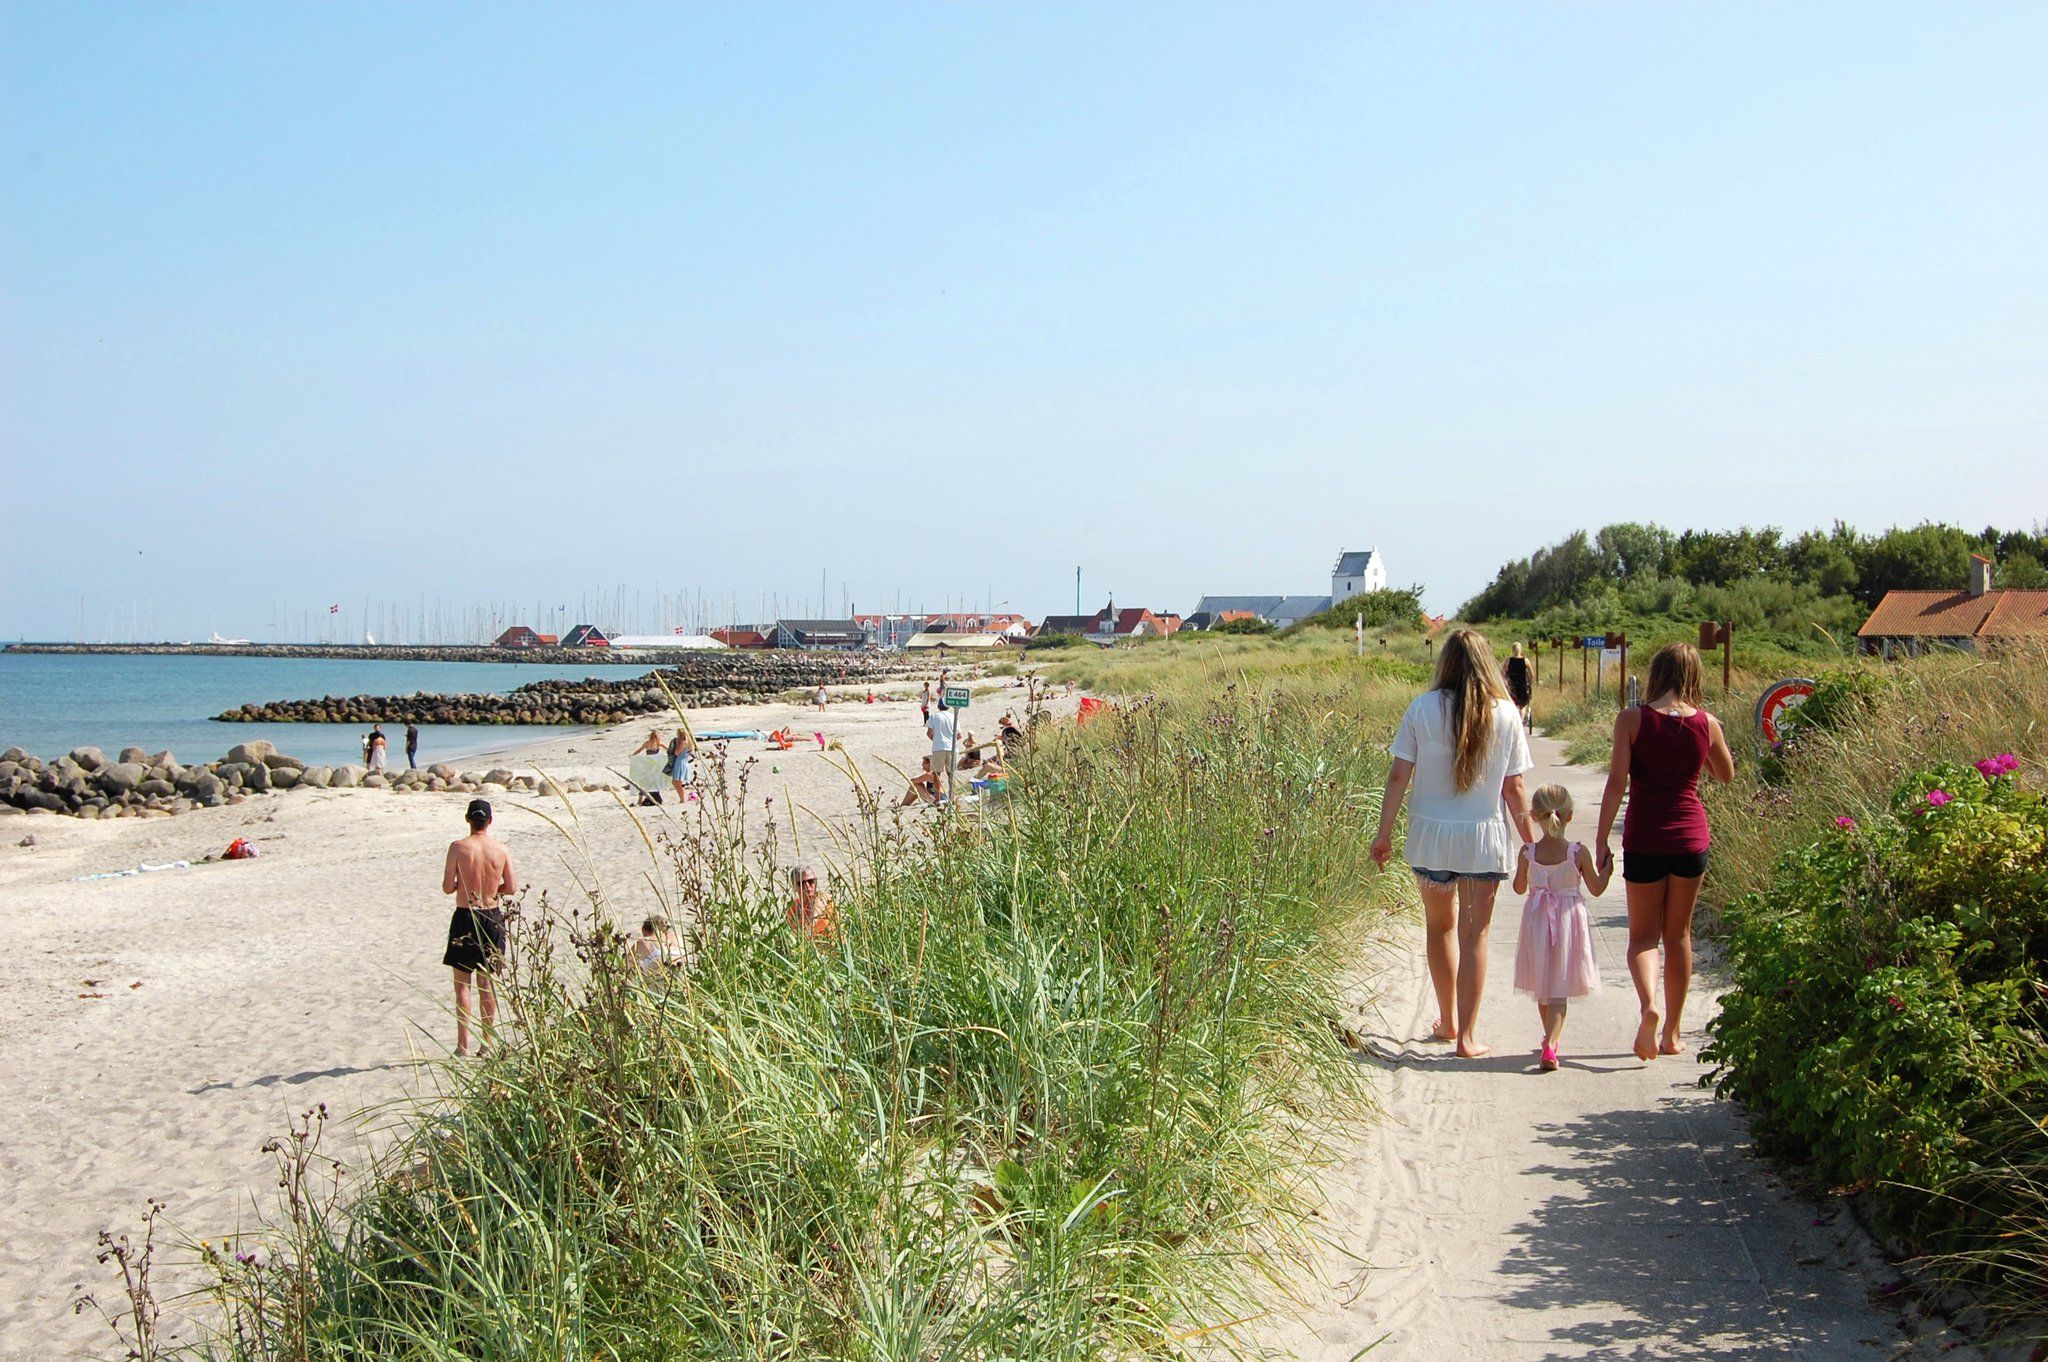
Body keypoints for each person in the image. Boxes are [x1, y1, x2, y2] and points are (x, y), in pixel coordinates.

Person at [1369, 629, 1537, 1058]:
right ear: (1487, 663)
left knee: (1440, 927)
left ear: (1445, 662)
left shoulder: (1421, 709)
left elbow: (1398, 776)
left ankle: (1447, 1020)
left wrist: (1383, 834)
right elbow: (1515, 788)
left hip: (1431, 837)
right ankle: (1467, 1038)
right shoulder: (1506, 713)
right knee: (1475, 934)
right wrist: (1531, 845)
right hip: (1483, 837)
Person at [1595, 643, 1736, 1061]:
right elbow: (1726, 774)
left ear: (1656, 673)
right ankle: (1672, 1033)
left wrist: (1601, 839)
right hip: (1691, 839)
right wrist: (1700, 749)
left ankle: (1649, 1007)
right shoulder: (1707, 724)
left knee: (1642, 938)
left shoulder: (1631, 720)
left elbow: (1616, 784)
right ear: (1694, 676)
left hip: (1645, 838)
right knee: (1679, 936)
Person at [1511, 784, 1611, 1072]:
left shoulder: (1527, 852)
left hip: (1536, 919)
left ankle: (1548, 1039)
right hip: (1568, 921)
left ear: (1534, 816)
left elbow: (1519, 888)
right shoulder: (1577, 852)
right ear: (1569, 816)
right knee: (1559, 990)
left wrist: (1532, 880)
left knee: (1543, 985)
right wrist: (1606, 871)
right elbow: (1597, 887)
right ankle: (1551, 1045)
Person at [441, 798, 517, 1057]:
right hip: (491, 917)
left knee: (462, 985)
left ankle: (463, 1045)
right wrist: (494, 889)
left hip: (466, 916)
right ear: (490, 821)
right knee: (487, 985)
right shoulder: (501, 849)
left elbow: (447, 887)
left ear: (468, 820)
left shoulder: (458, 847)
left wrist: (462, 886)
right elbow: (512, 887)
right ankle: (487, 1043)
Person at [786, 864, 837, 941]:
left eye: (810, 881)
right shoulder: (792, 908)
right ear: (794, 886)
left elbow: (813, 919)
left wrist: (802, 938)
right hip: (810, 947)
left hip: (829, 945)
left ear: (815, 882)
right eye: (801, 883)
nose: (807, 886)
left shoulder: (823, 898)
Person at [1504, 643, 1534, 732]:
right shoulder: (1526, 661)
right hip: (1522, 685)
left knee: (1512, 704)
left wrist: (1505, 682)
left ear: (1512, 650)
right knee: (1523, 705)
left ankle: (1512, 722)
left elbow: (1502, 672)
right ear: (1521, 650)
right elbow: (1531, 675)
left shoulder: (1508, 661)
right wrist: (1530, 683)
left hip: (1512, 686)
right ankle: (1520, 722)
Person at [925, 702, 957, 781]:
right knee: (951, 773)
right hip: (952, 747)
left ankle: (937, 794)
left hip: (938, 747)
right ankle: (952, 793)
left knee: (937, 773)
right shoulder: (954, 717)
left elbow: (929, 733)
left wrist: (936, 739)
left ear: (938, 707)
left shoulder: (934, 716)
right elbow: (958, 735)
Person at [666, 727, 697, 803]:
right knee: (675, 781)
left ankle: (682, 799)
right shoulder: (685, 742)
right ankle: (682, 797)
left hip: (680, 762)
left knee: (678, 782)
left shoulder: (683, 742)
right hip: (680, 761)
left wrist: (676, 744)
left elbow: (676, 752)